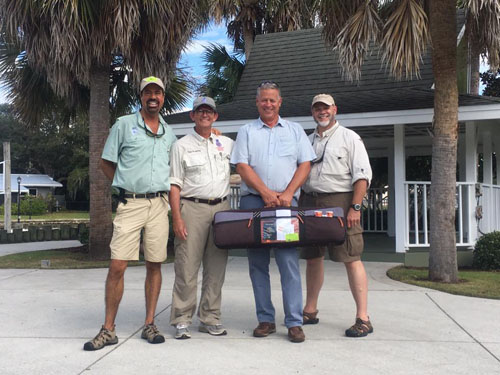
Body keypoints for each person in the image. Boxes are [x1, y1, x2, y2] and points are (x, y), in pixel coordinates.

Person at [83, 76, 177, 351]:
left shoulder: (169, 132)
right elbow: (105, 162)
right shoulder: (124, 125)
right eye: (148, 92)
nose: (153, 97)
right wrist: (122, 183)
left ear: (162, 98)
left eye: (157, 93)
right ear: (141, 96)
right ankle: (108, 328)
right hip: (130, 204)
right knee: (118, 266)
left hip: (159, 206)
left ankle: (149, 323)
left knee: (155, 264)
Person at [231, 81, 316, 343]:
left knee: (288, 262)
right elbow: (242, 167)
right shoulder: (246, 131)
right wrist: (266, 193)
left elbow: (305, 164)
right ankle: (265, 319)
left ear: (280, 102)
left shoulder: (295, 130)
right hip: (255, 204)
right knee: (257, 264)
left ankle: (293, 321)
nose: (268, 104)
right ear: (257, 103)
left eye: (272, 100)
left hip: (285, 206)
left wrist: (288, 194)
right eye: (263, 100)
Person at [300, 94, 373, 337]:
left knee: (351, 256)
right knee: (313, 257)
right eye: (317, 108)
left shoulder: (349, 138)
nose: (322, 112)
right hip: (309, 200)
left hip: (340, 202)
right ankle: (310, 310)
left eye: (326, 108)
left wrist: (355, 207)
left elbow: (362, 175)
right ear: (312, 112)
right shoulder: (306, 141)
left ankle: (363, 317)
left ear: (335, 110)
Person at [169, 97, 233, 339]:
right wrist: (177, 217)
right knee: (186, 265)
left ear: (215, 116)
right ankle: (182, 319)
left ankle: (210, 317)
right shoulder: (181, 146)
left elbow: (245, 165)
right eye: (200, 111)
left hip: (222, 209)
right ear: (192, 116)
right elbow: (174, 185)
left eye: (209, 112)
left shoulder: (226, 143)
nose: (205, 115)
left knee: (216, 267)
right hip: (192, 208)